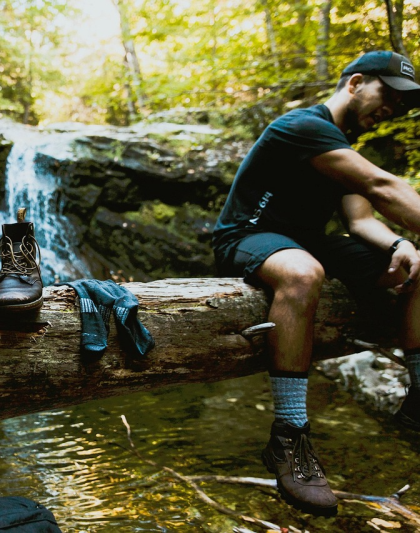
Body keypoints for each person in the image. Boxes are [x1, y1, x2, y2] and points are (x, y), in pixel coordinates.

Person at [212, 50, 420, 514]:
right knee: (304, 272)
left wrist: (398, 245)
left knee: (417, 263)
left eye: (402, 103)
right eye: (388, 94)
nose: (393, 107)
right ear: (356, 82)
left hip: (308, 242)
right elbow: (383, 188)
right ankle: (289, 436)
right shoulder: (302, 126)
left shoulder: (343, 147)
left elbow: (361, 220)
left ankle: (419, 400)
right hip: (247, 235)